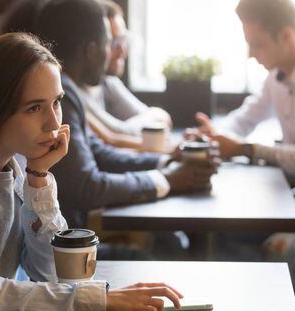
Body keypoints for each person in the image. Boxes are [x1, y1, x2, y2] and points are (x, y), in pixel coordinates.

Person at [0, 33, 183, 310]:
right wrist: (97, 299)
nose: (53, 124)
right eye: (34, 108)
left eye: (57, 102)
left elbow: (50, 273)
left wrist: (38, 179)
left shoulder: (18, 171)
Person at [36, 0, 217, 229]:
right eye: (108, 43)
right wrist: (168, 179)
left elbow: (100, 153)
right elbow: (86, 186)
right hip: (68, 245)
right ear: (90, 50)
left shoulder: (68, 89)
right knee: (167, 247)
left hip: (72, 239)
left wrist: (168, 160)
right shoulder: (60, 95)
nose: (111, 52)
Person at [192, 0, 295, 187]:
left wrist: (247, 149)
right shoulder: (275, 78)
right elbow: (245, 118)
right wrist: (216, 136)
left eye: (257, 45)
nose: (250, 55)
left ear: (286, 36)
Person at [76, 0, 172, 151]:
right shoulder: (69, 94)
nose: (122, 50)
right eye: (113, 42)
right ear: (92, 47)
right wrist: (151, 132)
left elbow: (162, 119)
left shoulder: (107, 82)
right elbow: (114, 136)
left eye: (124, 39)